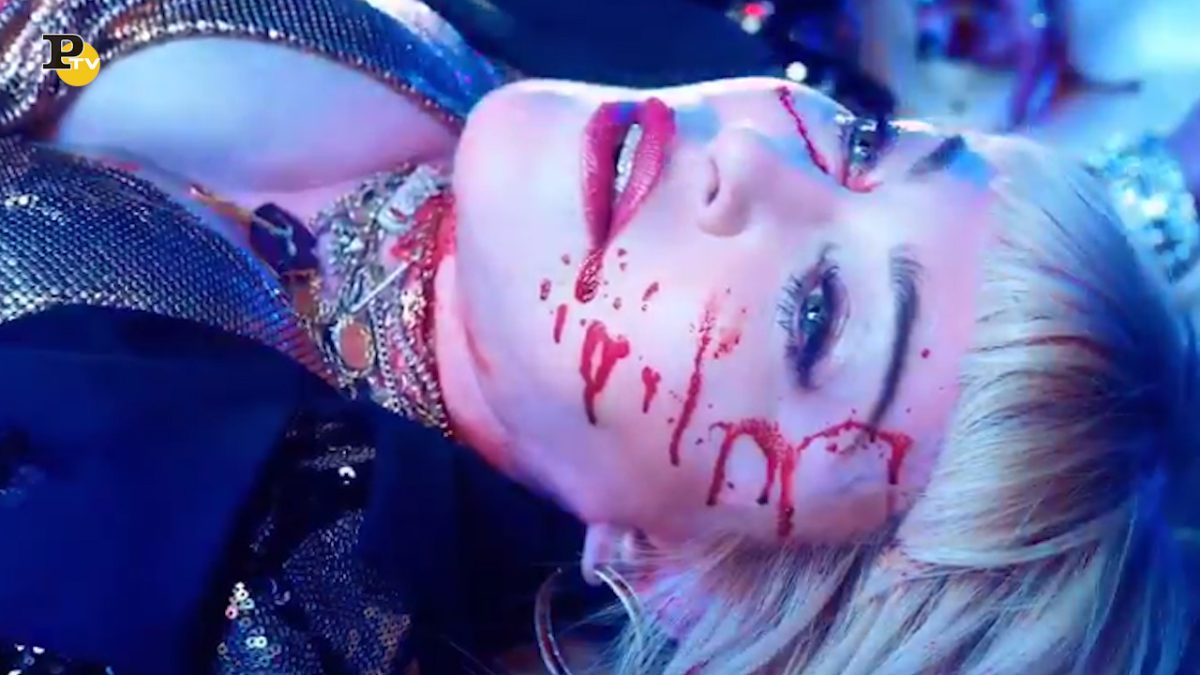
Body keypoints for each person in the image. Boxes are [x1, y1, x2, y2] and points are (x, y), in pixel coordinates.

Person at [0, 3, 1197, 675]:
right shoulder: (518, 55)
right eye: (865, 145)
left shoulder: (191, 580)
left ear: (679, 576)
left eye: (817, 312)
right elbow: (61, 49)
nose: (748, 155)